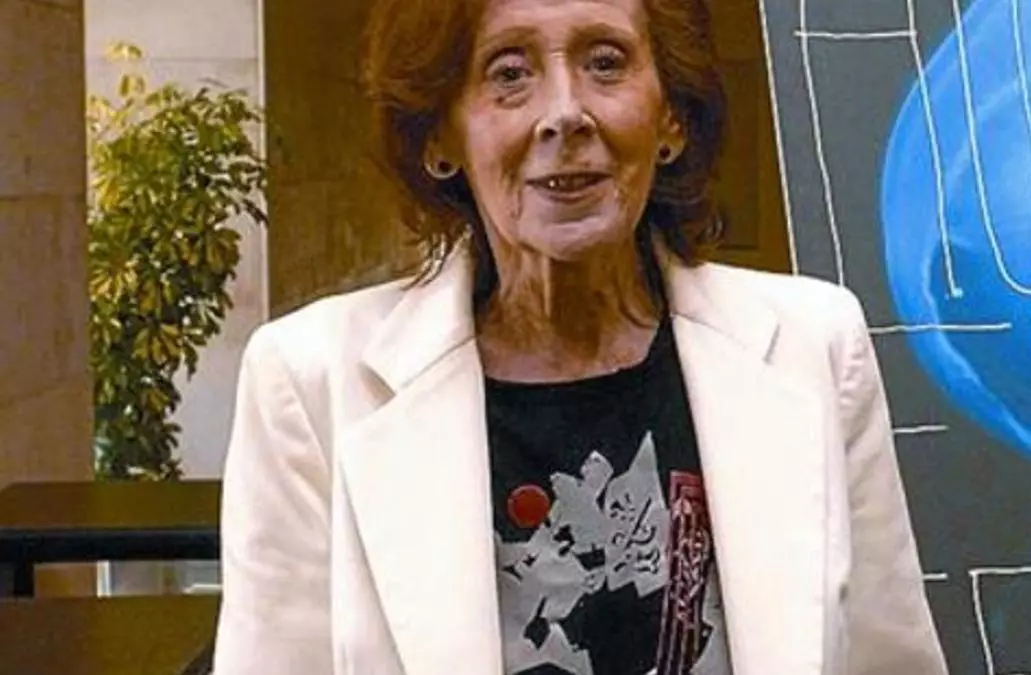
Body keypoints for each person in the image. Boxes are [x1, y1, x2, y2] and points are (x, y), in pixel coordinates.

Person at [212, 0, 947, 673]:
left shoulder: (814, 347)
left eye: (606, 61)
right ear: (441, 134)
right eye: (509, 73)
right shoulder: (310, 384)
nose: (564, 113)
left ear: (671, 116)